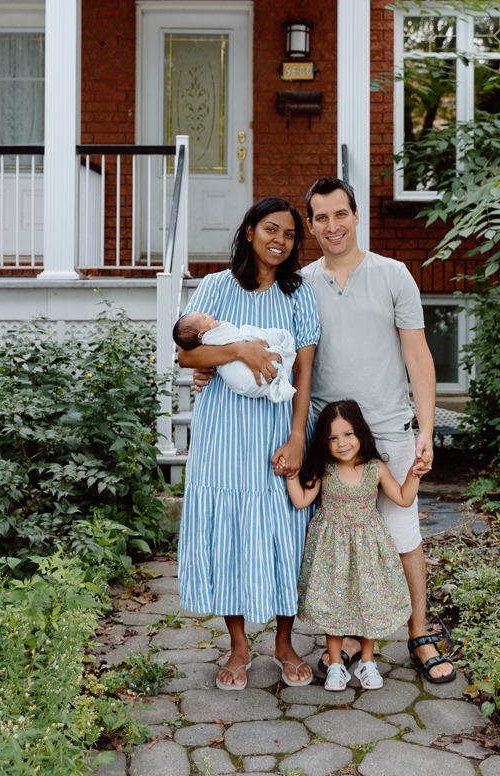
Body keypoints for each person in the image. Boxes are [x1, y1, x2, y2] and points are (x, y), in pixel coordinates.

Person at [301, 177, 455, 684]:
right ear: (311, 225)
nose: (332, 226)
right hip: (329, 441)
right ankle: (340, 641)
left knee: (403, 535)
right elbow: (282, 353)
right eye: (321, 218)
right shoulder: (300, 283)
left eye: (339, 214)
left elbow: (418, 354)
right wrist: (208, 366)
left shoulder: (393, 275)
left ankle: (419, 632)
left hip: (388, 430)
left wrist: (425, 430)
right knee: (337, 542)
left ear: (355, 215)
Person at [175, 196, 320, 690]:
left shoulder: (298, 293)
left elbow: (304, 369)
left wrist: (299, 435)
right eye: (271, 230)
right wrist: (237, 350)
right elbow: (185, 356)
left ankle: (284, 642)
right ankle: (238, 647)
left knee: (285, 526)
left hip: (278, 425)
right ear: (250, 231)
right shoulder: (214, 286)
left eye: (289, 235)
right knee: (230, 531)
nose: (279, 241)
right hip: (223, 431)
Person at [287, 399, 422, 691]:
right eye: (333, 438)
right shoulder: (324, 468)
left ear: (360, 432)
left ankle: (367, 662)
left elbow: (403, 499)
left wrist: (414, 474)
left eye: (348, 434)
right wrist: (289, 475)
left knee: (368, 605)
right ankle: (335, 665)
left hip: (368, 550)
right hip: (331, 552)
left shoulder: (375, 467)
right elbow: (301, 501)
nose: (342, 443)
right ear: (325, 442)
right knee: (334, 605)